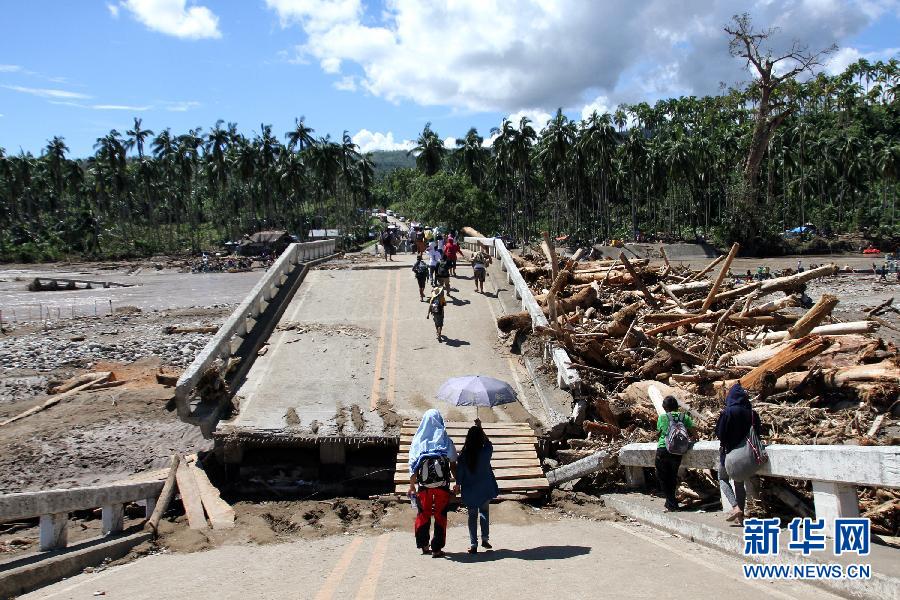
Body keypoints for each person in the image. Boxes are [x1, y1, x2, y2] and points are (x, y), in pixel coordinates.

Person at [408, 409, 458, 558]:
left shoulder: (418, 440)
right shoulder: (444, 439)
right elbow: (453, 463)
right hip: (442, 487)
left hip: (424, 488)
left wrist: (412, 486)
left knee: (423, 514)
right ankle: (437, 549)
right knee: (440, 515)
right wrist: (458, 483)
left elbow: (413, 466)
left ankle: (424, 545)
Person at [715, 383, 762, 525]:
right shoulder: (752, 413)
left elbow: (720, 433)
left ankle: (735, 507)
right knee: (739, 483)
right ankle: (740, 517)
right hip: (747, 454)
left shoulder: (728, 412)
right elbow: (758, 432)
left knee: (722, 478)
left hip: (728, 452)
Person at [456, 421, 499, 553]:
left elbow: (460, 474)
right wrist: (480, 427)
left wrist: (458, 485)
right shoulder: (486, 452)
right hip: (485, 487)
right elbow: (489, 443)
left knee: (472, 516)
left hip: (470, 490)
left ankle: (473, 544)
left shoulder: (463, 455)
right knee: (484, 512)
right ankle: (485, 539)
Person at [654, 395, 695, 511]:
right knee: (672, 476)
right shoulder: (684, 417)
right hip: (678, 450)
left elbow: (660, 432)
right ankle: (670, 502)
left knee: (662, 476)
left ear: (664, 407)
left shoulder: (662, 417)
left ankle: (671, 503)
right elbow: (694, 431)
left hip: (663, 449)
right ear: (677, 406)